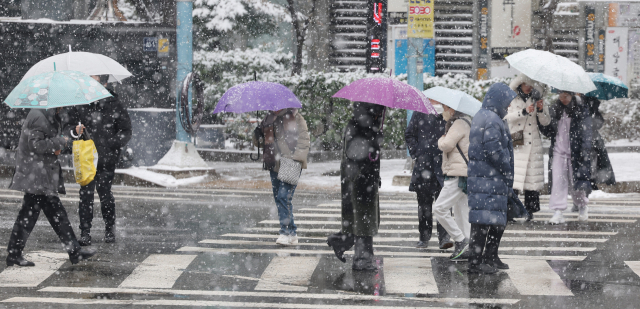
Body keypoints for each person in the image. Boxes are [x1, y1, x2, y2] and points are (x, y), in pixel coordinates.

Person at [7, 107, 96, 266]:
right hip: (37, 175)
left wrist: (72, 134)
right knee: (55, 214)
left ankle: (14, 253)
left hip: (40, 174)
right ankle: (74, 251)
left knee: (31, 215)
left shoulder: (47, 114)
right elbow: (36, 145)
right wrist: (60, 142)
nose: (64, 106)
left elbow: (52, 139)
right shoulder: (40, 116)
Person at [64, 75, 132, 245]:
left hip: (106, 158)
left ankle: (109, 229)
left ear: (104, 83)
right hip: (86, 158)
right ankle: (85, 232)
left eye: (95, 80)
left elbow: (126, 130)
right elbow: (68, 128)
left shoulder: (114, 103)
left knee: (105, 195)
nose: (91, 84)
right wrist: (75, 131)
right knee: (85, 196)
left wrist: (111, 144)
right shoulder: (79, 103)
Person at [327, 102, 384, 271]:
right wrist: (372, 142)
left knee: (360, 220)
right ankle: (362, 260)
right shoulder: (359, 126)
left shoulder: (364, 124)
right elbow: (354, 153)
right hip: (360, 181)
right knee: (364, 221)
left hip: (362, 180)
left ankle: (342, 241)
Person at [467, 83, 517, 274]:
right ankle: (476, 262)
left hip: (486, 177)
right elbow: (493, 149)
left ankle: (489, 257)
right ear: (498, 100)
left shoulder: (485, 115)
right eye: (507, 102)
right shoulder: (492, 119)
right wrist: (506, 168)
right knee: (483, 221)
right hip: (489, 178)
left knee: (495, 219)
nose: (509, 106)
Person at [253, 108, 310, 246]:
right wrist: (257, 134)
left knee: (283, 197)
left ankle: (285, 232)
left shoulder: (296, 118)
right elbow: (260, 143)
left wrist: (295, 159)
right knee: (280, 199)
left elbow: (304, 141)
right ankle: (292, 233)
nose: (274, 109)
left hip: (291, 162)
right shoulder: (268, 119)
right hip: (274, 163)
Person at [539, 91, 592, 223]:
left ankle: (582, 205)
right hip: (558, 151)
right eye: (561, 96)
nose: (563, 99)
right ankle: (558, 211)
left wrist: (585, 149)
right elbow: (547, 131)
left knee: (575, 183)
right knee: (558, 181)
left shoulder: (580, 110)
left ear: (572, 95)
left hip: (575, 152)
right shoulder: (554, 109)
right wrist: (540, 113)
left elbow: (586, 132)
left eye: (566, 96)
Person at [404, 104, 452, 249]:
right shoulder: (420, 112)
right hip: (423, 166)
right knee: (424, 204)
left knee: (444, 204)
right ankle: (424, 237)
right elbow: (409, 134)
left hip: (443, 166)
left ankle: (444, 238)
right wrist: (417, 153)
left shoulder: (448, 113)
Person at [504, 74, 551, 221]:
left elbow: (545, 122)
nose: (528, 87)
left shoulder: (537, 99)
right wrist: (523, 112)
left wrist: (541, 110)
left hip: (533, 143)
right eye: (525, 84)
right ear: (520, 85)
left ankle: (530, 211)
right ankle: (511, 211)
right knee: (515, 179)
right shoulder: (512, 98)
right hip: (517, 141)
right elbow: (506, 117)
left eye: (530, 84)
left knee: (531, 180)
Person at [432, 103, 472, 260]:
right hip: (463, 172)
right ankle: (468, 246)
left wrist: (441, 139)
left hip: (457, 172)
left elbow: (446, 145)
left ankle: (461, 240)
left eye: (445, 108)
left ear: (453, 109)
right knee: (462, 212)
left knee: (440, 209)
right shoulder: (467, 121)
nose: (444, 111)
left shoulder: (459, 122)